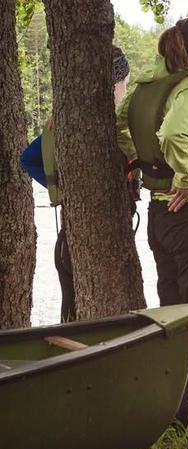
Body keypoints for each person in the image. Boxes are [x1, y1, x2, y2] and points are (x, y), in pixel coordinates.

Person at [116, 16, 188, 442]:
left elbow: (117, 124)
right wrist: (186, 176)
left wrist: (141, 166)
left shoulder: (147, 86)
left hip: (159, 218)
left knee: (173, 318)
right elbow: (177, 133)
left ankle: (173, 416)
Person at [20, 46, 136, 323]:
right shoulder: (110, 127)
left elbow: (29, 159)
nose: (125, 90)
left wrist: (62, 190)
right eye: (124, 83)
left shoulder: (63, 121)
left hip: (68, 237)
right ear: (114, 84)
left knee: (70, 312)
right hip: (96, 240)